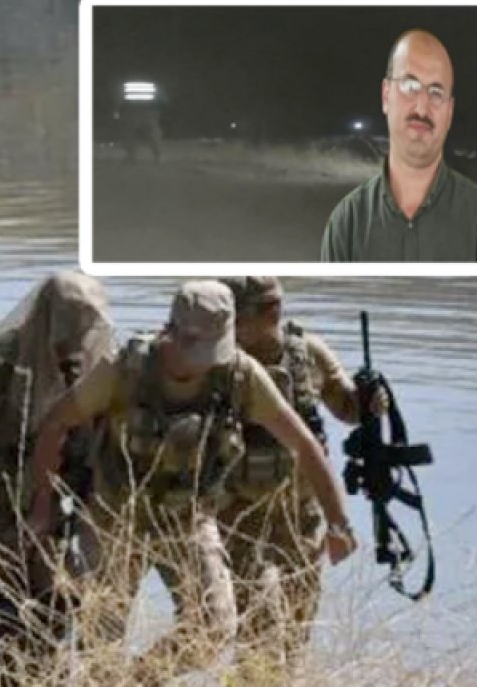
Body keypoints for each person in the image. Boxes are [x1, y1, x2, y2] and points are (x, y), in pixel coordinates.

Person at [29, 280, 357, 683]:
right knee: (102, 638)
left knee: (213, 629)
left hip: (187, 520)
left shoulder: (238, 374)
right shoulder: (125, 368)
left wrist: (338, 522)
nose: (202, 362)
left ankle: (136, 681)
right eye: (192, 350)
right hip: (116, 517)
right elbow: (56, 423)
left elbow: (304, 446)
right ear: (171, 331)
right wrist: (43, 506)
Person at [218, 277, 388, 675]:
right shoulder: (222, 359)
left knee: (297, 626)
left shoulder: (307, 353)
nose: (229, 326)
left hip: (301, 515)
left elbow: (346, 408)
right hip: (238, 514)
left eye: (236, 317)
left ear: (269, 313)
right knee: (257, 626)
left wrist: (370, 402)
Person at [0, 271, 112, 603]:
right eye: (69, 322)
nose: (77, 334)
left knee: (52, 598)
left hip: (50, 493)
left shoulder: (93, 358)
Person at [321, 29, 477, 262]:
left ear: (449, 113)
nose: (422, 108)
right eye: (410, 86)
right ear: (385, 96)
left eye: (436, 92)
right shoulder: (346, 224)